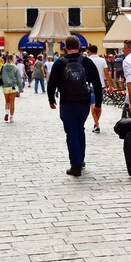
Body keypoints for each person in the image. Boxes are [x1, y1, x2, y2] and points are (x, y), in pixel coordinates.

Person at [47, 36, 102, 177]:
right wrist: (98, 104)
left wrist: (51, 100)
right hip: (83, 101)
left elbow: (51, 83)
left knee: (71, 132)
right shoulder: (86, 62)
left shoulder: (60, 63)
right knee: (80, 129)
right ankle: (81, 159)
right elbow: (97, 83)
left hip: (67, 102)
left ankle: (75, 164)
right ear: (79, 47)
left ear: (65, 47)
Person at [87, 45, 114, 133]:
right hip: (101, 85)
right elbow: (106, 73)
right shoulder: (102, 60)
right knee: (99, 105)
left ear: (89, 51)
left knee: (92, 104)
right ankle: (96, 123)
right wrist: (110, 85)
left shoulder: (87, 60)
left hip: (90, 84)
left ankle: (96, 124)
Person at [0, 54, 23, 122]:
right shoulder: (15, 67)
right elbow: (19, 79)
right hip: (13, 86)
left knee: (7, 101)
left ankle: (6, 112)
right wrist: (20, 88)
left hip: (5, 86)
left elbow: (0, 76)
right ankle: (11, 117)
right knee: (12, 102)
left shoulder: (3, 67)